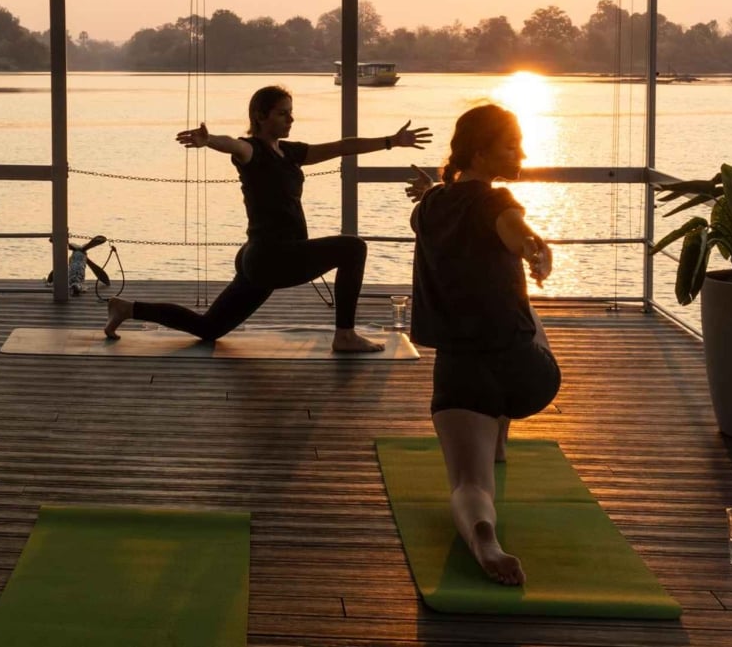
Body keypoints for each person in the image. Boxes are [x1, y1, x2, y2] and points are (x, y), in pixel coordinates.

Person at [104, 84, 432, 352]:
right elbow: (233, 145)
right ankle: (344, 335)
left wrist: (391, 141)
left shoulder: (289, 152)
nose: (290, 119)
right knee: (353, 248)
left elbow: (340, 147)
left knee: (209, 329)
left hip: (260, 258)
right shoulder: (253, 151)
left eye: (291, 113)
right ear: (261, 117)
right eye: (282, 113)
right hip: (272, 257)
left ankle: (128, 308)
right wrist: (210, 141)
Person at [405, 103, 561, 586]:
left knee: (469, 485)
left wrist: (431, 190)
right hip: (524, 375)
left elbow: (455, 208)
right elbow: (511, 229)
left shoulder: (429, 208)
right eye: (511, 145)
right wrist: (536, 249)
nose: (521, 153)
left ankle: (483, 538)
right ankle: (501, 439)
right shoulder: (498, 202)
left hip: (459, 372)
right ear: (480, 151)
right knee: (528, 311)